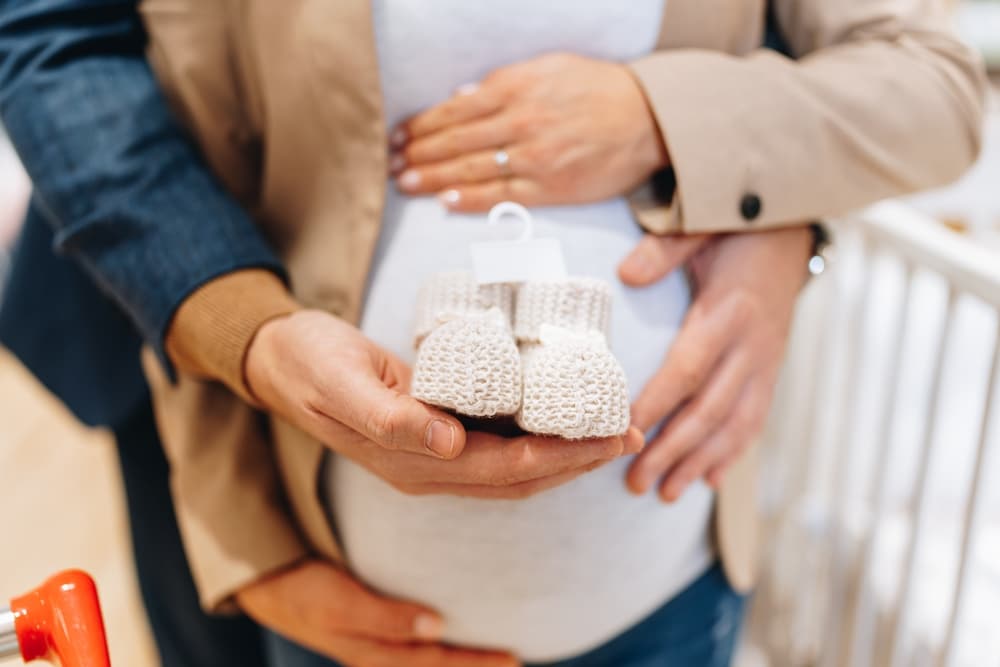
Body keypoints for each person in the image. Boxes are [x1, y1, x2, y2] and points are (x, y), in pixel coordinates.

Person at [0, 1, 986, 667]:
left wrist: (669, 124)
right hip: (311, 552)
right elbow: (89, 67)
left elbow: (927, 81)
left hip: (666, 571)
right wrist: (241, 522)